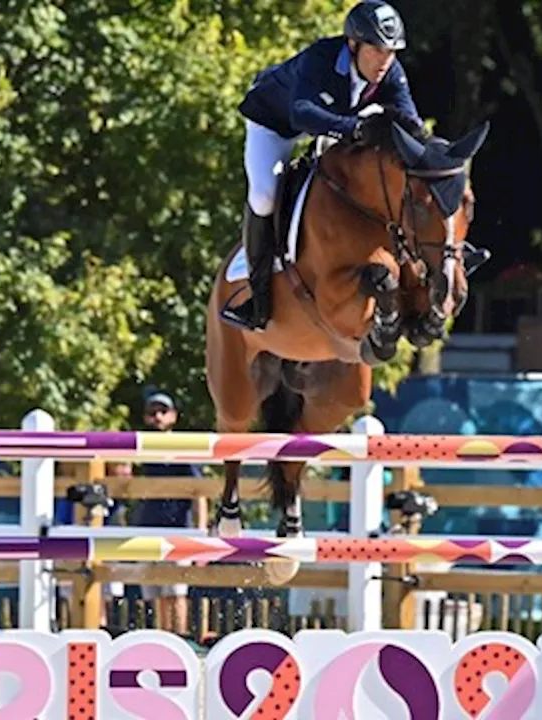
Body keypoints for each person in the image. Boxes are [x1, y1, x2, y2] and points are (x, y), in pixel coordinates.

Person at [221, 0, 425, 332]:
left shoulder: (392, 73)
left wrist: (432, 157)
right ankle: (257, 299)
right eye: (376, 50)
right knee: (263, 196)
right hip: (275, 123)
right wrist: (354, 129)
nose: (384, 60)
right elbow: (301, 113)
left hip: (333, 124)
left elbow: (411, 125)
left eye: (391, 52)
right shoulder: (321, 59)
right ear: (353, 44)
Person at [122, 390, 205, 637]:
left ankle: (179, 637)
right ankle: (161, 638)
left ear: (173, 417)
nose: (157, 416)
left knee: (176, 591)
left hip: (178, 528)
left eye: (162, 411)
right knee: (155, 591)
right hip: (149, 526)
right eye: (152, 413)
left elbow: (199, 491)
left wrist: (200, 534)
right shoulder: (143, 450)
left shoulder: (182, 450)